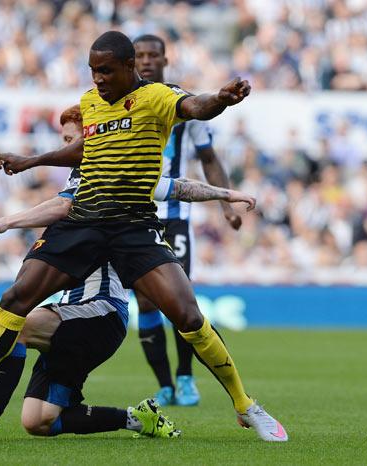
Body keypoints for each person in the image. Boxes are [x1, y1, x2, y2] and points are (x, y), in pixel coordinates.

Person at [0, 31, 287, 442]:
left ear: (129, 67)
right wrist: (30, 161)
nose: (98, 78)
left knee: (188, 315)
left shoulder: (158, 96)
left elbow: (196, 106)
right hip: (84, 220)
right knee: (14, 300)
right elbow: (81, 151)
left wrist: (222, 98)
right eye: (92, 70)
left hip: (133, 225)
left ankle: (247, 407)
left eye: (105, 70)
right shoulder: (90, 103)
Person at [132, 34, 243, 407]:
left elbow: (209, 157)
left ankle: (185, 377)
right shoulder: (118, 102)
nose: (146, 61)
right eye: (140, 56)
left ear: (165, 60)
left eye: (153, 55)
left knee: (180, 301)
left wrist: (225, 203)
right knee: (146, 304)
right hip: (133, 215)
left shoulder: (182, 103)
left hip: (175, 216)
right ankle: (164, 384)